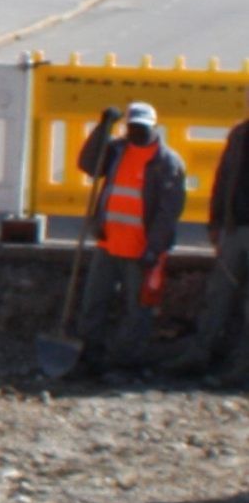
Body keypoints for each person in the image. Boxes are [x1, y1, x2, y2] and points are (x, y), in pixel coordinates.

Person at [74, 100, 188, 373]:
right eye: (133, 126)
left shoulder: (166, 162)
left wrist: (154, 249)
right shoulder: (115, 151)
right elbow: (89, 164)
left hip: (141, 250)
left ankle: (125, 361)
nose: (137, 132)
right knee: (94, 303)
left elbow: (168, 211)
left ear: (153, 127)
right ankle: (89, 356)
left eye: (142, 128)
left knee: (137, 311)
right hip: (108, 243)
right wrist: (102, 128)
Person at [174, 105, 249, 378]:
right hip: (234, 228)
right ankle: (198, 354)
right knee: (217, 294)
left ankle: (242, 367)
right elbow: (223, 179)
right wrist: (216, 223)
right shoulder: (239, 134)